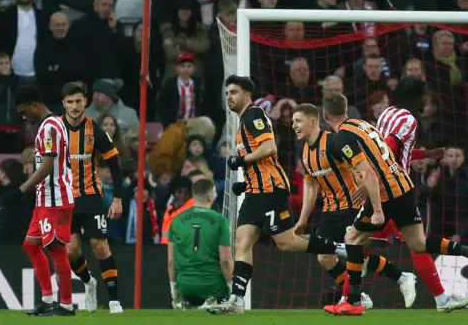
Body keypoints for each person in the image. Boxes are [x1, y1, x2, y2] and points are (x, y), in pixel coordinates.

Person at [321, 93, 468, 316]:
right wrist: (425, 153)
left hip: (385, 193)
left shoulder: (342, 138)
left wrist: (377, 209)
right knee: (418, 243)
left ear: (324, 115)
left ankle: (353, 301)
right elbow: (385, 155)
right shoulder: (363, 126)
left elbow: (369, 173)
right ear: (347, 110)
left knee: (353, 239)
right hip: (404, 186)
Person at [208, 75, 346, 315]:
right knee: (242, 242)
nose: (229, 96)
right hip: (254, 192)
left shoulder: (254, 115)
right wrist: (246, 182)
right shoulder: (242, 122)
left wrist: (240, 160)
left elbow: (269, 147)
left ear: (247, 95)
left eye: (234, 92)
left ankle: (340, 248)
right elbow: (261, 159)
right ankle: (236, 301)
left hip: (270, 191)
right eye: (227, 92)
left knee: (286, 243)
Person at [292, 104, 416, 309]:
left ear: (313, 121)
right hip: (330, 211)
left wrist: (367, 191)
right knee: (324, 257)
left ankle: (361, 294)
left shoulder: (333, 142)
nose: (293, 125)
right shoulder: (305, 152)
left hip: (352, 206)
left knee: (356, 253)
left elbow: (362, 168)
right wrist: (303, 219)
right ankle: (369, 293)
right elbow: (311, 186)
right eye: (293, 121)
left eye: (298, 121)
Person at [375, 77, 468, 312]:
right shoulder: (408, 119)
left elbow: (394, 151)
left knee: (364, 245)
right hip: (395, 190)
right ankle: (408, 283)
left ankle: (354, 297)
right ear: (415, 96)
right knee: (409, 244)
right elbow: (388, 150)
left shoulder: (387, 114)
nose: (426, 100)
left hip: (381, 188)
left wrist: (427, 153)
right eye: (424, 95)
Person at [59, 82, 124, 314]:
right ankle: (88, 282)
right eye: (70, 102)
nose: (75, 106)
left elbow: (115, 167)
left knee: (100, 246)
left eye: (78, 101)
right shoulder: (55, 130)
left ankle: (115, 300)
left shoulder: (96, 130)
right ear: (63, 104)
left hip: (92, 198)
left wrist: (117, 199)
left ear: (85, 102)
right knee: (71, 251)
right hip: (65, 201)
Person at [14, 85, 75, 317]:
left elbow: (48, 166)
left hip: (56, 199)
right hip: (45, 199)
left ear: (34, 105)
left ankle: (67, 305)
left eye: (24, 111)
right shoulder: (48, 125)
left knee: (55, 249)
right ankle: (48, 299)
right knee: (31, 245)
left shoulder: (50, 127)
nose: (23, 116)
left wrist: (21, 189)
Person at [169, 178, 233, 310]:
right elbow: (225, 261)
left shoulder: (176, 220)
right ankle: (213, 302)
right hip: (214, 286)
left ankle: (187, 301)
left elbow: (170, 261)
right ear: (211, 196)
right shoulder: (220, 220)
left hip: (185, 287)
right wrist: (232, 289)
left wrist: (174, 291)